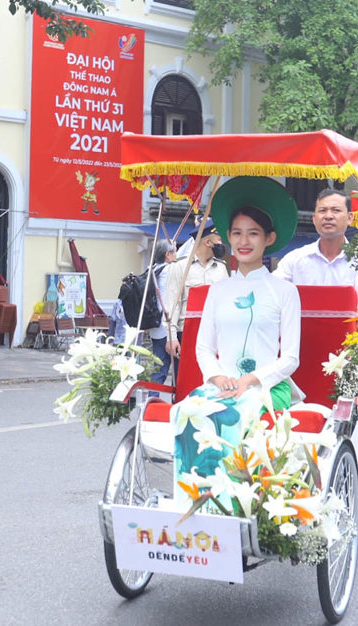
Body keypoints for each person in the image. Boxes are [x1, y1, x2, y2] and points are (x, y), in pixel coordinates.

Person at [170, 177, 301, 505]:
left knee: (234, 416)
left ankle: (235, 505)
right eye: (238, 233)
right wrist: (216, 377)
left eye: (253, 233)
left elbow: (291, 357)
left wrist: (251, 380)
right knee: (188, 411)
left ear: (269, 238)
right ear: (227, 237)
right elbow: (202, 347)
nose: (244, 241)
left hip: (266, 386)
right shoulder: (218, 290)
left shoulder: (284, 291)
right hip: (220, 383)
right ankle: (193, 501)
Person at [164, 222, 228, 359]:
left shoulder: (221, 268)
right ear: (208, 242)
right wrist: (172, 337)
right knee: (186, 379)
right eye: (219, 241)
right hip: (187, 333)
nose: (222, 245)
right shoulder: (181, 266)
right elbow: (172, 304)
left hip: (215, 335)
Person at [273, 187, 358, 286]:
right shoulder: (294, 260)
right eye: (322, 210)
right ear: (314, 219)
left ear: (349, 218)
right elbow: (274, 293)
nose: (328, 216)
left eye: (336, 210)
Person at [148, 238, 176, 384]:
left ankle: (151, 400)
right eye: (174, 251)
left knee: (158, 368)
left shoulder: (153, 269)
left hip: (155, 325)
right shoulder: (169, 270)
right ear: (167, 254)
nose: (176, 254)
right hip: (168, 326)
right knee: (170, 370)